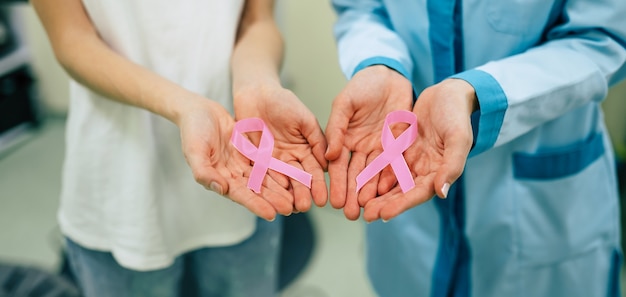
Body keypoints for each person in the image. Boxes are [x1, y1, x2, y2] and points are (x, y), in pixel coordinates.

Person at [325, 0, 626, 296]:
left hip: (541, 199)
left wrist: (478, 93)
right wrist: (379, 62)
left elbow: (605, 37)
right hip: (405, 207)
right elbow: (360, 8)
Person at [31, 0, 327, 296]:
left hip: (241, 182)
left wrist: (259, 84)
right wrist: (184, 107)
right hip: (121, 184)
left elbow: (257, 21)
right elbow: (72, 39)